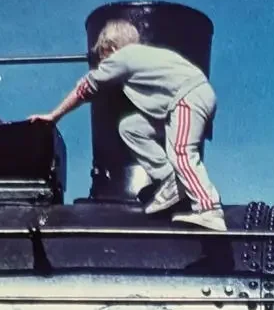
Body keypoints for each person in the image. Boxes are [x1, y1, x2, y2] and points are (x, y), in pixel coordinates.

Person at [30, 18, 225, 232]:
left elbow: (86, 87)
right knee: (132, 127)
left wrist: (54, 115)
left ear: (111, 47)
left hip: (188, 97)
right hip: (178, 103)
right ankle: (169, 179)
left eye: (103, 56)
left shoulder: (123, 56)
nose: (103, 63)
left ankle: (209, 209)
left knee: (181, 151)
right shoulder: (146, 55)